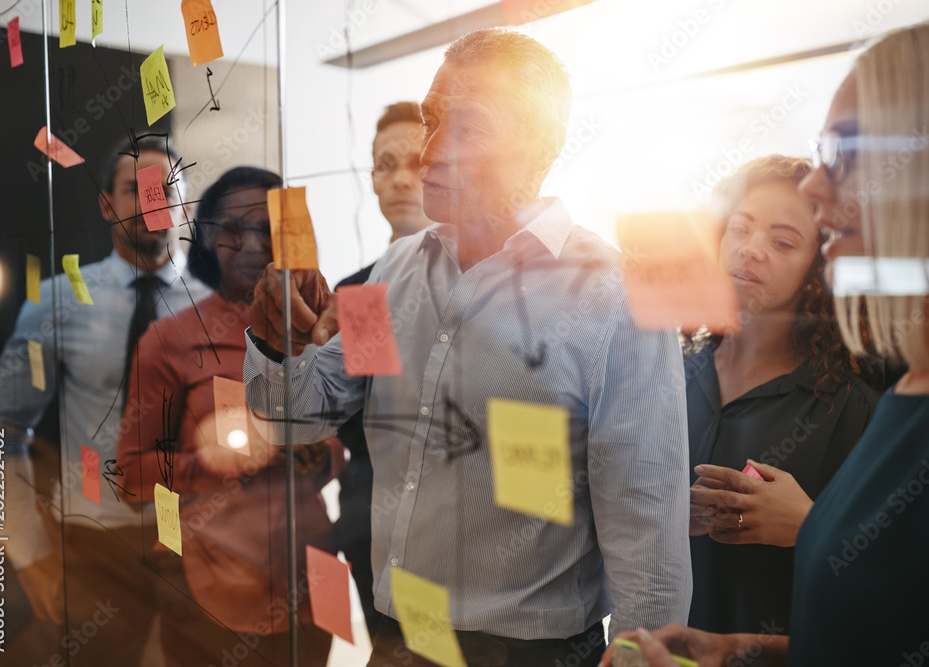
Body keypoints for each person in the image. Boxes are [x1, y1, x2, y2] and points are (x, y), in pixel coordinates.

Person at [245, 28, 692, 667]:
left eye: (467, 127)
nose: (429, 153)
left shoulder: (617, 300)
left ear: (538, 146)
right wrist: (273, 341)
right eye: (431, 121)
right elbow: (305, 410)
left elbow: (647, 536)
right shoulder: (395, 271)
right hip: (404, 643)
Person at [601, 13, 929, 667]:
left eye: (846, 154)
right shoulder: (912, 391)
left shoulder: (870, 398)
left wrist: (807, 528)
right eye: (742, 227)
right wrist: (734, 651)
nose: (815, 186)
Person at [0, 135, 211, 666]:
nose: (153, 202)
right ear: (107, 204)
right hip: (92, 541)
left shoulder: (216, 311)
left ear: (186, 207)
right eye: (136, 190)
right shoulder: (59, 300)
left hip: (193, 542)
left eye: (167, 190)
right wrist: (26, 553)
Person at [116, 167, 337, 667]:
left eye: (269, 229)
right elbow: (130, 478)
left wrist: (323, 454)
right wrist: (213, 461)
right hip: (211, 594)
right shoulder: (170, 339)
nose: (254, 244)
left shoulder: (321, 327)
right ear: (208, 239)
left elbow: (359, 453)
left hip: (310, 588)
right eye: (233, 230)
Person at [684, 155, 878, 634]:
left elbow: (899, 585)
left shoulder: (851, 408)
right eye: (740, 228)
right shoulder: (668, 372)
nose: (750, 250)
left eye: (783, 242)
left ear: (818, 269)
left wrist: (809, 527)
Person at [335, 100, 434, 638]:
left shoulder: (484, 283)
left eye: (416, 163)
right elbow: (364, 420)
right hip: (374, 517)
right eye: (385, 164)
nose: (401, 180)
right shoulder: (361, 291)